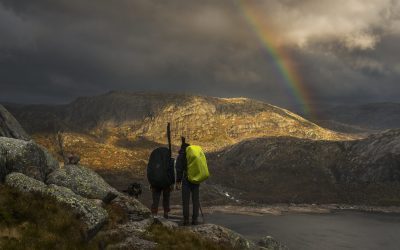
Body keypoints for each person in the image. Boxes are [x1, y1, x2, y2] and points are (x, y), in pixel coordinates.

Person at [176, 137, 200, 225]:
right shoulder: (193, 154)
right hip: (196, 179)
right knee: (195, 200)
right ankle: (195, 220)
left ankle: (186, 220)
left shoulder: (181, 156)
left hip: (186, 179)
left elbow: (179, 170)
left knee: (185, 200)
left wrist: (178, 181)